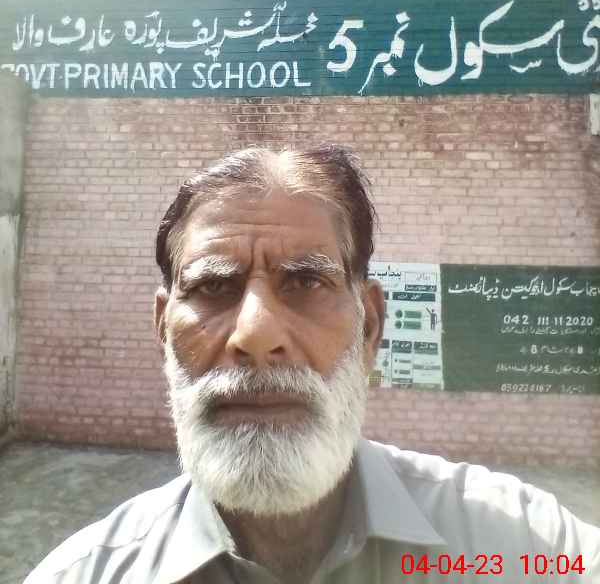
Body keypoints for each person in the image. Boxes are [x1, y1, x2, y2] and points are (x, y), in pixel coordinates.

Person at [25, 145, 600, 583]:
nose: (255, 336)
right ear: (162, 332)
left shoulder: (517, 545)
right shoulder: (84, 574)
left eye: (305, 282)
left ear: (369, 327)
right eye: (213, 287)